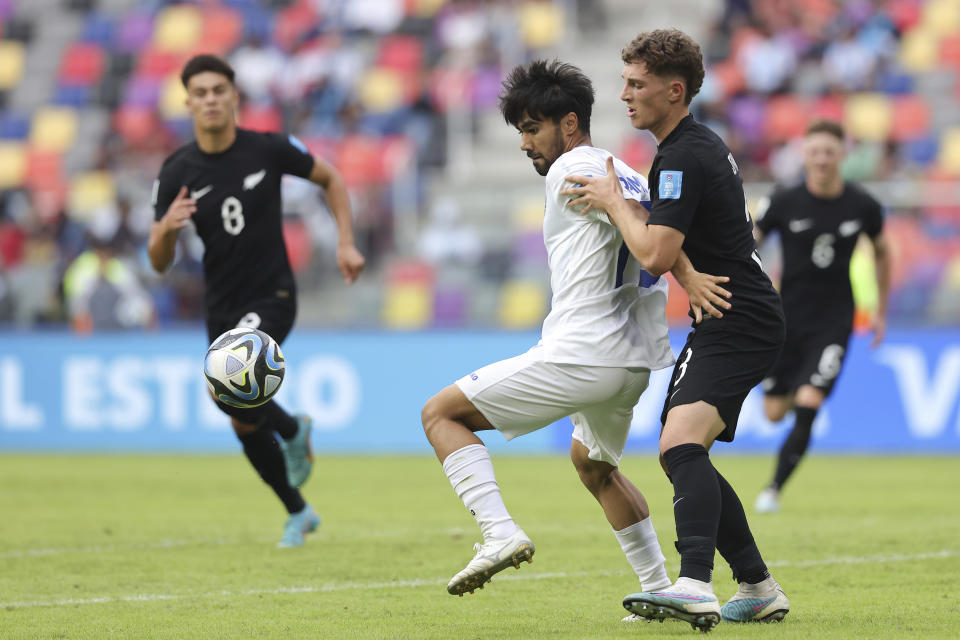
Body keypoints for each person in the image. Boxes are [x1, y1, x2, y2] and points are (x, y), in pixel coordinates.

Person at [420, 59, 733, 607]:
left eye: (531, 128)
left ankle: (498, 532)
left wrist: (684, 275)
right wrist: (687, 275)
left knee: (440, 414)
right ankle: (659, 588)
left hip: (584, 353)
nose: (524, 144)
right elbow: (653, 224)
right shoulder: (626, 168)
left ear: (568, 125)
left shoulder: (576, 169)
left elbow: (631, 213)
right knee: (594, 466)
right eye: (519, 131)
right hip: (633, 365)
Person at [563, 29, 790, 630]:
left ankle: (694, 583)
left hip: (736, 316)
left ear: (675, 89)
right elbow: (674, 244)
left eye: (637, 84)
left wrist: (615, 201)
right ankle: (757, 585)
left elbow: (656, 255)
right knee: (683, 450)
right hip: (732, 313)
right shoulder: (688, 148)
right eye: (625, 82)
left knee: (679, 445)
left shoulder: (684, 154)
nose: (625, 95)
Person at [147, 55, 365, 548]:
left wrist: (345, 241)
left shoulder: (267, 149)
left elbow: (330, 178)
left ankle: (290, 431)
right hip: (221, 306)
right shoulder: (177, 170)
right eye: (200, 92)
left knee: (222, 382)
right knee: (240, 414)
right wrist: (165, 228)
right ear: (188, 101)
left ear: (234, 97)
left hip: (273, 294)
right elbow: (158, 261)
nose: (210, 99)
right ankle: (298, 507)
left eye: (218, 90)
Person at [753, 120, 890, 514]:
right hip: (786, 319)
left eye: (830, 152)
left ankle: (773, 490)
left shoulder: (862, 205)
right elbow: (748, 245)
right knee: (775, 412)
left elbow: (883, 251)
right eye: (815, 152)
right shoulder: (783, 200)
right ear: (804, 155)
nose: (822, 160)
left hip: (834, 321)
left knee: (810, 400)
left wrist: (880, 310)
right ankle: (801, 389)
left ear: (842, 155)